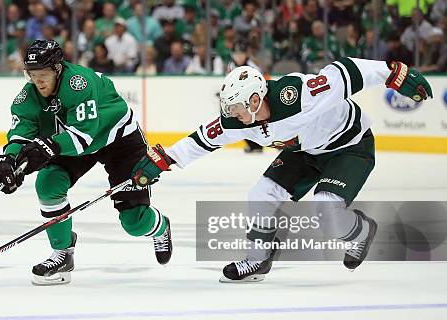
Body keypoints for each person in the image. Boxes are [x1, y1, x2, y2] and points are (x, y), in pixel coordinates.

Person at [131, 57, 432, 283]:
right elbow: (201, 139)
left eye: (234, 106)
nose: (229, 114)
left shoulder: (298, 95)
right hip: (305, 151)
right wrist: (164, 159)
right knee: (260, 194)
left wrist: (394, 73)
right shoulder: (239, 119)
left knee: (325, 213)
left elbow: (346, 71)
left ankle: (362, 231)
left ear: (254, 100)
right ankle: (258, 259)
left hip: (349, 147)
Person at [0, 39, 172, 286]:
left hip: (118, 141)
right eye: (32, 75)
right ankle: (63, 254)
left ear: (58, 69)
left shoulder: (79, 83)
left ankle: (161, 227)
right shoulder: (27, 96)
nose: (38, 81)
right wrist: (10, 160)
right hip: (74, 141)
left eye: (43, 74)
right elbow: (22, 131)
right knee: (48, 184)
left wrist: (48, 147)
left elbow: (83, 137)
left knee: (135, 223)